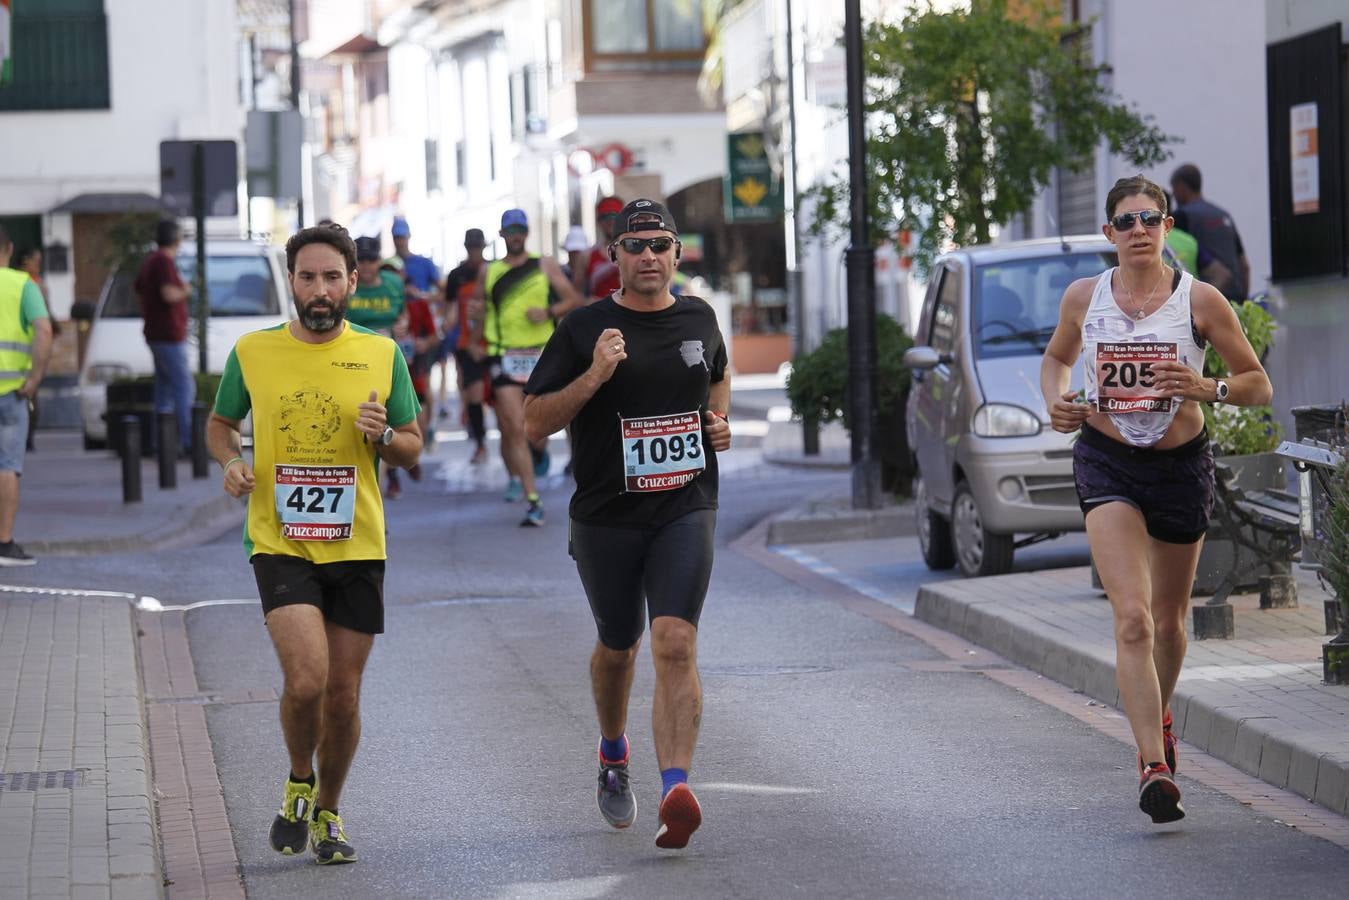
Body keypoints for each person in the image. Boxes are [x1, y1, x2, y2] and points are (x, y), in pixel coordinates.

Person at [1040, 175, 1271, 825]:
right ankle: (1151, 765)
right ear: (1108, 234)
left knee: (1169, 624)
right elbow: (1055, 360)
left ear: (1167, 228)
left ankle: (1158, 718)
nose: (1138, 229)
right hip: (1106, 461)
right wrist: (1055, 400)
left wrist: (1203, 387)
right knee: (1133, 620)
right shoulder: (1084, 298)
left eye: (1149, 218)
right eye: (1125, 221)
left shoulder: (1199, 301)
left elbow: (1257, 384)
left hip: (1178, 466)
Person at [205, 222, 421, 865]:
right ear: (291, 283)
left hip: (358, 545)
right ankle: (299, 776)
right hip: (281, 541)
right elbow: (221, 425)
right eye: (308, 277)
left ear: (353, 281)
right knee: (306, 681)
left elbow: (412, 448)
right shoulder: (253, 351)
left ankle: (328, 810)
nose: (320, 290)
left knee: (343, 695)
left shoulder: (383, 355)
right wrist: (230, 462)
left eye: (332, 277)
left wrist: (385, 437)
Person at [522, 199, 732, 849]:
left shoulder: (699, 317)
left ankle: (675, 787)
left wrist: (717, 423)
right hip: (606, 518)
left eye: (659, 244)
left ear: (676, 254)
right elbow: (534, 422)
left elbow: (716, 379)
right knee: (618, 647)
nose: (648, 255)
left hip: (684, 506)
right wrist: (595, 374)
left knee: (673, 640)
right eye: (634, 245)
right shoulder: (585, 328)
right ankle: (613, 754)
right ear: (613, 256)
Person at [467, 208, 583, 526]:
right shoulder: (489, 272)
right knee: (514, 426)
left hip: (542, 356)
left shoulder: (543, 264)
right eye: (510, 230)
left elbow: (572, 298)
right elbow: (478, 310)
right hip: (504, 355)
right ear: (502, 235)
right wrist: (475, 335)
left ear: (526, 233)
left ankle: (538, 454)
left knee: (536, 431)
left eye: (520, 229)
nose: (515, 235)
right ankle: (533, 499)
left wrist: (547, 312)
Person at [0, 227, 53, 566]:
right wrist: (34, 379)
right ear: (8, 248)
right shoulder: (22, 285)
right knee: (7, 466)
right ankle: (3, 543)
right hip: (10, 394)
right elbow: (44, 330)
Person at [134, 219, 195, 455]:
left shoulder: (150, 260)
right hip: (169, 334)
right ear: (177, 239)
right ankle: (189, 442)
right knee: (183, 386)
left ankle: (161, 442)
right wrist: (186, 290)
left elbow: (138, 287)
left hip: (155, 332)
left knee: (164, 389)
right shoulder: (164, 261)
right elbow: (169, 294)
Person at [1169, 163, 1250, 301]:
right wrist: (1244, 300)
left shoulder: (1182, 216)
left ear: (1181, 186)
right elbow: (1244, 265)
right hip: (1236, 298)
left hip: (1208, 301)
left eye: (1174, 189)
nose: (1174, 195)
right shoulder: (1223, 215)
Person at [443, 228, 490, 463]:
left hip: (490, 342)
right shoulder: (456, 275)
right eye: (471, 248)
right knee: (474, 394)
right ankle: (480, 443)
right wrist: (448, 323)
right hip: (465, 343)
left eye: (478, 247)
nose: (474, 252)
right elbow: (451, 307)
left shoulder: (493, 270)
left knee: (493, 396)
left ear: (484, 247)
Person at [12, 247, 57, 451]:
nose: (38, 265)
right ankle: (26, 438)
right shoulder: (28, 284)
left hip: (24, 350)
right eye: (36, 261)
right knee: (30, 396)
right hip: (26, 350)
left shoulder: (31, 283)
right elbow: (44, 323)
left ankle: (27, 437)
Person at [348, 235, 405, 335]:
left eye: (371, 260)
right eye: (361, 260)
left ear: (380, 261)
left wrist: (403, 323)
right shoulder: (345, 285)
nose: (366, 266)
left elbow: (403, 312)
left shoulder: (394, 282)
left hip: (389, 343)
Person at [390, 216, 442, 309]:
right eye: (397, 237)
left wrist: (421, 296)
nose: (399, 241)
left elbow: (444, 292)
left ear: (409, 236)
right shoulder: (387, 265)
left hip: (421, 315)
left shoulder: (425, 263)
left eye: (402, 237)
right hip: (397, 317)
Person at [583, 196, 625, 302]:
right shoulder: (587, 255)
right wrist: (587, 301)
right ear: (598, 222)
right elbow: (575, 294)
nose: (610, 221)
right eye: (605, 217)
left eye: (615, 216)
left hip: (630, 315)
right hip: (599, 315)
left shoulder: (637, 250)